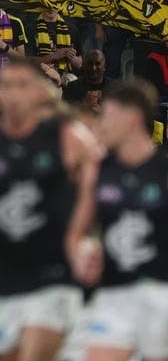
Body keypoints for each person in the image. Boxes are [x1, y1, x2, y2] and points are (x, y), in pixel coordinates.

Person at [0, 59, 95, 361]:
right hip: (3, 278)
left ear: (39, 93)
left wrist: (82, 235)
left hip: (54, 276)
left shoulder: (67, 137)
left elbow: (99, 185)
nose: (13, 93)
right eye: (8, 86)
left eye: (22, 85)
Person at [69, 79, 168, 361]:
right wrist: (81, 256)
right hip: (114, 293)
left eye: (109, 116)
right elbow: (77, 231)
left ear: (132, 117)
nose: (103, 124)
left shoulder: (162, 172)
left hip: (161, 292)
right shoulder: (97, 172)